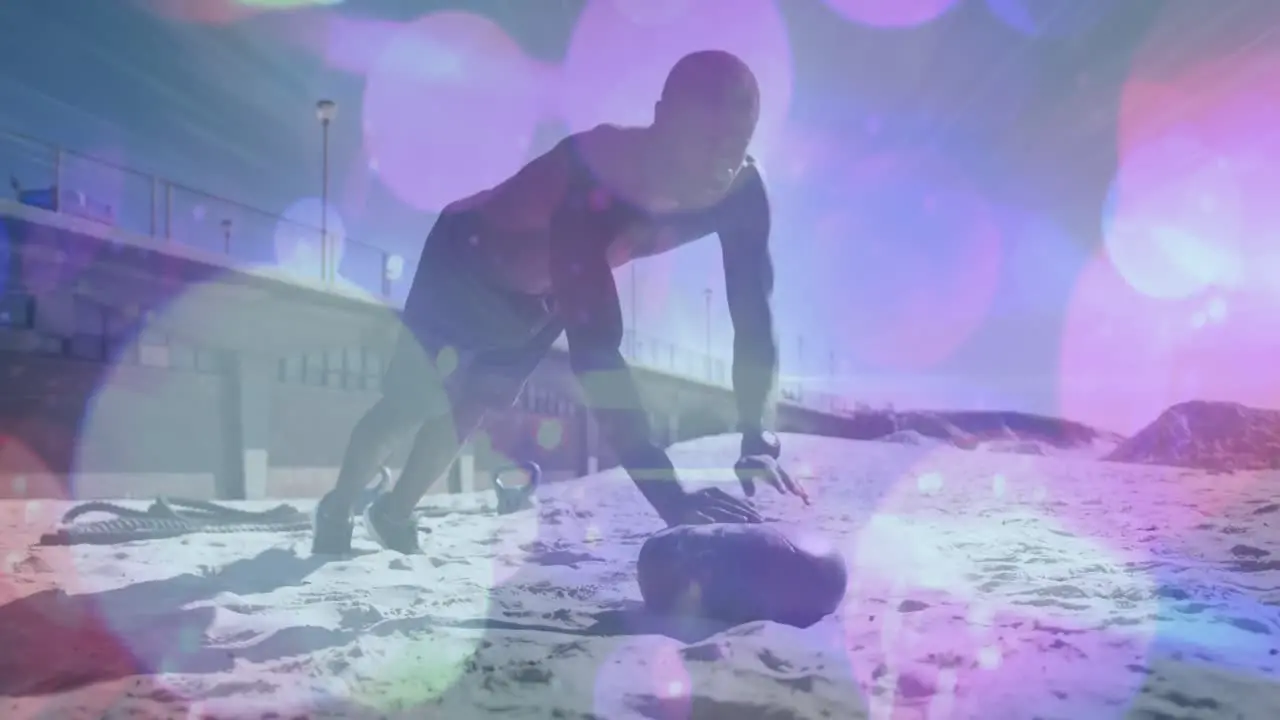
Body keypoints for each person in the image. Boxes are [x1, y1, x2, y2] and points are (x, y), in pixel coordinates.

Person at [312, 49, 808, 556]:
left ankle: (392, 515)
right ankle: (337, 508)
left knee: (473, 405)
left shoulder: (742, 192)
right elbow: (597, 355)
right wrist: (669, 495)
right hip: (463, 263)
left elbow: (752, 314)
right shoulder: (597, 173)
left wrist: (758, 436)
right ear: (661, 120)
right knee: (411, 403)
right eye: (706, 140)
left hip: (548, 291)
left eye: (736, 143)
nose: (719, 166)